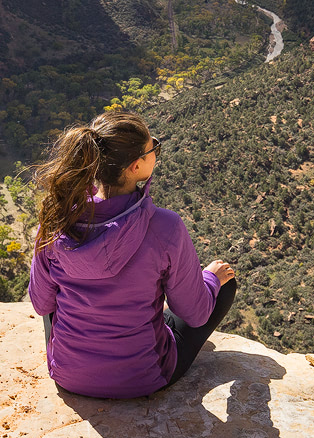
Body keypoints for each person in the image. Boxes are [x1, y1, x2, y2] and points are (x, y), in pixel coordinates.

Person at [28, 109, 237, 398]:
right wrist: (211, 280)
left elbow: (42, 304)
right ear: (136, 167)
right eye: (154, 147)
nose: (156, 149)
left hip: (68, 375)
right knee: (224, 284)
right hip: (144, 378)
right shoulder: (166, 227)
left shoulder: (57, 220)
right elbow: (196, 313)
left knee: (55, 290)